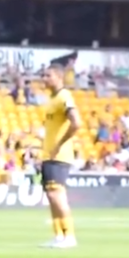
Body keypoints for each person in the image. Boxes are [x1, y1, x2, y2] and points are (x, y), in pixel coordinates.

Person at [40, 63, 81, 248]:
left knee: (57, 195)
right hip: (49, 154)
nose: (44, 79)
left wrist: (59, 144)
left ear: (59, 77)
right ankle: (58, 235)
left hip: (59, 155)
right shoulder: (52, 98)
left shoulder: (64, 96)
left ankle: (70, 236)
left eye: (48, 75)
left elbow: (76, 123)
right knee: (51, 196)